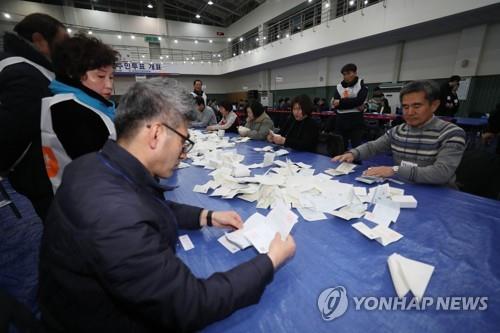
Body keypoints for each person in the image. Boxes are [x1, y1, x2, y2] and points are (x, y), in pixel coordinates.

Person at [39, 78, 296, 332]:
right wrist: (270, 261)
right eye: (183, 142)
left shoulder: (96, 165)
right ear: (157, 134)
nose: (183, 153)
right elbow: (192, 305)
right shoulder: (116, 217)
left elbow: (147, 205)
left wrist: (208, 216)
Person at [332, 80, 466, 187]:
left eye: (417, 106)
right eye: (405, 107)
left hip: (438, 196)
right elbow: (373, 146)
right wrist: (352, 153)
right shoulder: (397, 131)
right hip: (402, 188)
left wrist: (395, 170)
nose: (410, 112)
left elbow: (442, 173)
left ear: (434, 105)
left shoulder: (451, 133)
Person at [0, 13, 67, 220]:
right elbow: (13, 132)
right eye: (61, 43)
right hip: (40, 174)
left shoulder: (27, 67)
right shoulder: (22, 73)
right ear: (39, 40)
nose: (65, 51)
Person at [40, 34, 119, 193]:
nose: (109, 85)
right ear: (73, 73)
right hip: (90, 195)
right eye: (100, 76)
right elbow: (100, 164)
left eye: (111, 77)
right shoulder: (69, 109)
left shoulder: (93, 104)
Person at [331, 63, 368, 151]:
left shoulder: (361, 85)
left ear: (355, 73)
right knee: (340, 146)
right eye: (344, 74)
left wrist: (341, 102)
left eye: (349, 73)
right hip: (341, 120)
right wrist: (353, 103)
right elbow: (335, 104)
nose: (346, 76)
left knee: (357, 147)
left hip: (356, 120)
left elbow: (359, 100)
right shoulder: (339, 87)